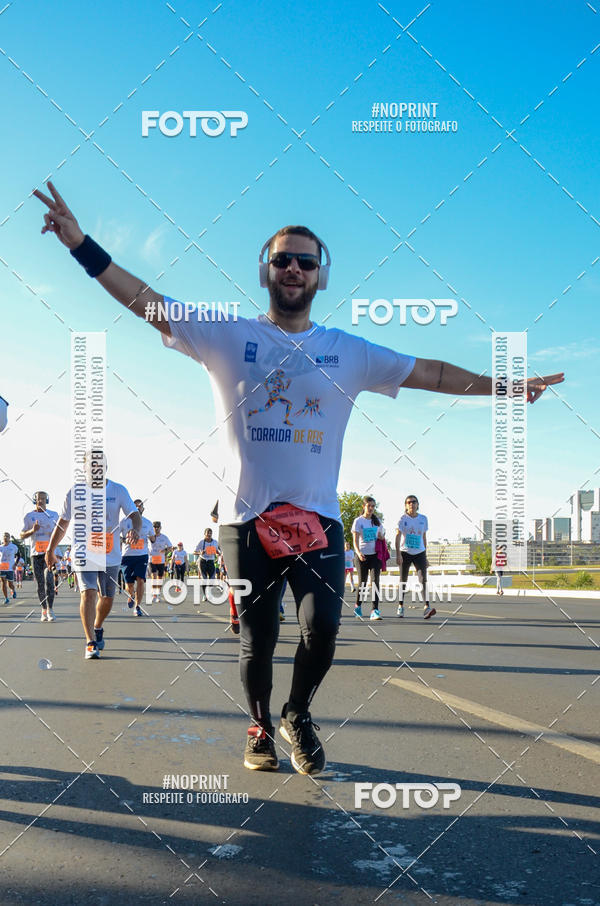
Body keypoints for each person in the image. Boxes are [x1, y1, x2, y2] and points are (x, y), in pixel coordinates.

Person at [33, 180, 564, 774]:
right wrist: (81, 245)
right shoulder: (225, 334)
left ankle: (297, 712)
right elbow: (145, 300)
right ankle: (260, 725)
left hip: (317, 517)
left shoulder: (350, 351)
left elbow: (433, 373)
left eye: (304, 262)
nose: (293, 268)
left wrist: (508, 388)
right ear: (265, 272)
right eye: (281, 260)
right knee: (257, 638)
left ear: (321, 276)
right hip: (245, 519)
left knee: (324, 627)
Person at [46, 456, 141, 659]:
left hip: (110, 554)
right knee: (88, 593)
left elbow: (134, 514)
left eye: (100, 466)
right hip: (83, 551)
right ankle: (90, 642)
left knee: (107, 598)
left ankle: (97, 626)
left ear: (106, 468)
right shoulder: (75, 492)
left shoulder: (118, 490)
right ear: (85, 469)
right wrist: (50, 549)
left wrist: (136, 529)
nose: (96, 470)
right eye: (92, 466)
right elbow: (63, 523)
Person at [21, 491, 59, 621]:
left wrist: (55, 549)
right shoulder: (29, 516)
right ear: (35, 500)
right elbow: (21, 535)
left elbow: (60, 533)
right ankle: (44, 610)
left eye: (43, 499)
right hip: (35, 554)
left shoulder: (53, 515)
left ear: (47, 500)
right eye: (38, 499)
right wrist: (33, 530)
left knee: (49, 580)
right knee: (40, 584)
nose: (41, 501)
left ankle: (51, 610)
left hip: (48, 553)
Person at [395, 495, 435, 619]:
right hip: (405, 553)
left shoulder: (423, 519)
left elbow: (424, 537)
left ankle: (426, 607)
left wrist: (426, 555)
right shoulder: (402, 519)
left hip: (420, 553)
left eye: (414, 502)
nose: (411, 504)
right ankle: (400, 606)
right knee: (403, 580)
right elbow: (397, 536)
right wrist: (397, 554)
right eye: (409, 502)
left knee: (423, 579)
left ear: (418, 504)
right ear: (406, 505)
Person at [352, 497, 385, 620]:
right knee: (363, 582)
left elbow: (381, 535)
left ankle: (375, 610)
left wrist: (381, 536)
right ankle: (358, 606)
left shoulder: (377, 521)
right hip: (362, 555)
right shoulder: (358, 521)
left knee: (375, 581)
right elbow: (355, 541)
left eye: (373, 506)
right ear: (364, 506)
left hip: (375, 555)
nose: (371, 508)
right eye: (369, 505)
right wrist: (359, 552)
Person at [119, 499, 154, 616]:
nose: (138, 508)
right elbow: (116, 537)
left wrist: (151, 538)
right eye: (136, 506)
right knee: (128, 584)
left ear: (143, 509)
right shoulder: (123, 522)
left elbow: (153, 538)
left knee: (140, 580)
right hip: (127, 556)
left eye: (140, 506)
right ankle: (131, 595)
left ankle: (137, 606)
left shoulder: (148, 523)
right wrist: (125, 540)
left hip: (142, 555)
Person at [194, 528, 221, 603]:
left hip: (211, 561)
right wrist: (200, 553)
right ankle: (205, 595)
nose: (209, 535)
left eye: (210, 534)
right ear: (204, 534)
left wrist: (218, 552)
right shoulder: (201, 542)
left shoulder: (215, 542)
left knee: (212, 578)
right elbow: (194, 552)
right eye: (207, 534)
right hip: (202, 561)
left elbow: (218, 551)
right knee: (204, 579)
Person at [149, 521, 172, 603]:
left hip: (161, 560)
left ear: (160, 528)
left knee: (159, 578)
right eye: (154, 527)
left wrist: (165, 550)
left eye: (157, 527)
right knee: (154, 576)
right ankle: (154, 594)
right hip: (152, 559)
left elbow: (170, 547)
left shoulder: (164, 537)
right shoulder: (150, 537)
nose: (156, 528)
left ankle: (158, 594)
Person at [0, 533, 19, 604]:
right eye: (4, 536)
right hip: (2, 567)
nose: (5, 538)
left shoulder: (13, 547)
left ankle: (13, 590)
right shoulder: (1, 547)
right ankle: (6, 598)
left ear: (9, 538)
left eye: (7, 536)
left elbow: (18, 556)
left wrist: (15, 564)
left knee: (10, 584)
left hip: (10, 567)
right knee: (3, 582)